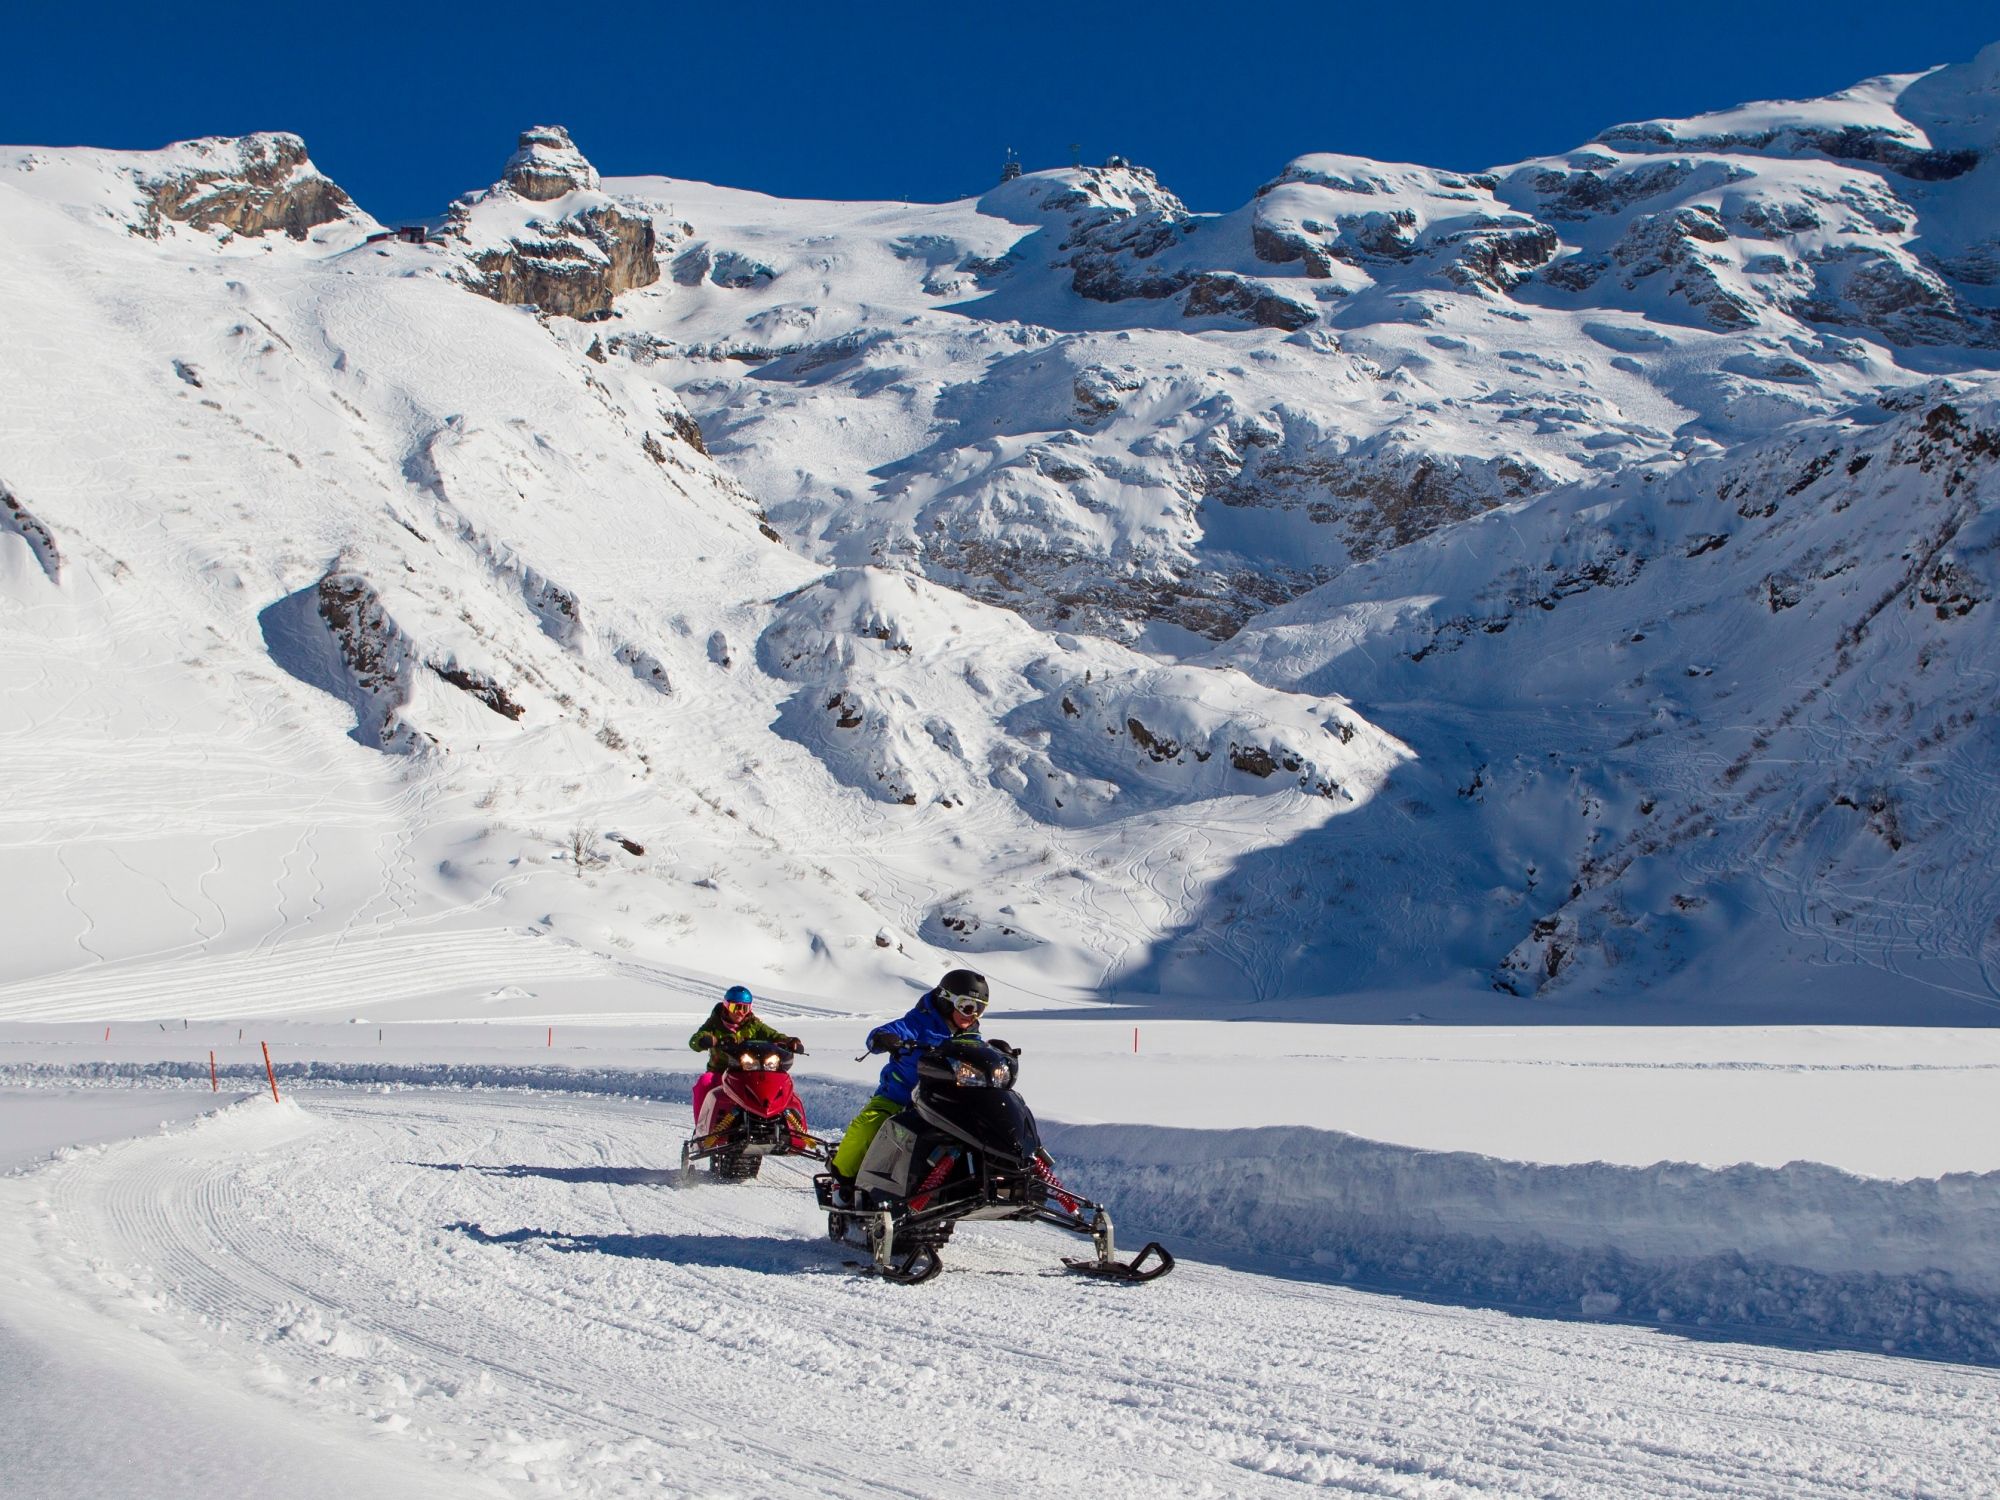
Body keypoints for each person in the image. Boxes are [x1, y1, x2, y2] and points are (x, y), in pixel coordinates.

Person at [828, 968, 989, 1191]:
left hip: (944, 1106)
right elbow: (879, 1035)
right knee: (868, 1127)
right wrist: (886, 1039)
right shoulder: (917, 1023)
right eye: (967, 1006)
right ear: (947, 1000)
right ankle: (842, 1179)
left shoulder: (972, 1036)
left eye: (979, 1009)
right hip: (899, 1099)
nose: (972, 1014)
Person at [689, 984, 802, 1131]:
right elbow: (695, 1040)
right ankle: (702, 1129)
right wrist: (705, 1040)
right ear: (726, 1006)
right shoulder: (714, 1024)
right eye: (736, 1007)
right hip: (722, 1070)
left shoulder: (753, 1024)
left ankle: (792, 1130)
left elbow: (773, 1035)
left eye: (745, 1008)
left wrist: (789, 1042)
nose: (740, 1012)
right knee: (705, 1083)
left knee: (781, 1083)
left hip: (750, 1071)